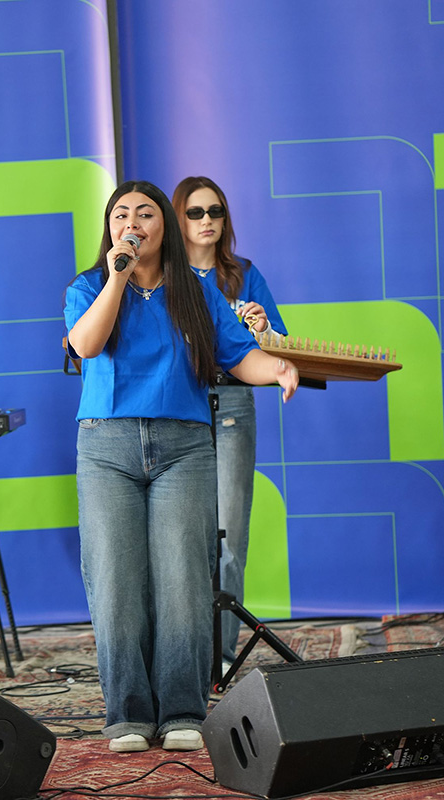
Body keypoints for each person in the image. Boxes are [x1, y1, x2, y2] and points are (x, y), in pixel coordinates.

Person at [64, 181, 299, 753]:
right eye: (121, 215)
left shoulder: (196, 290)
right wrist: (117, 277)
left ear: (164, 226)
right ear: (109, 228)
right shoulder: (89, 285)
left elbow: (239, 356)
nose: (133, 222)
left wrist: (278, 368)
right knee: (115, 580)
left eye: (145, 214)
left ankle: (182, 711)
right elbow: (86, 345)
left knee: (184, 579)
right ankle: (127, 715)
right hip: (107, 447)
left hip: (185, 446)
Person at [172, 176, 288, 666]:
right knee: (181, 537)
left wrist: (263, 328)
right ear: (177, 218)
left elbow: (281, 344)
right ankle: (180, 650)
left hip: (234, 404)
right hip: (179, 407)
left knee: (229, 535)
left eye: (215, 211)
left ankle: (218, 654)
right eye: (195, 212)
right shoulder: (163, 275)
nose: (207, 221)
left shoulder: (243, 273)